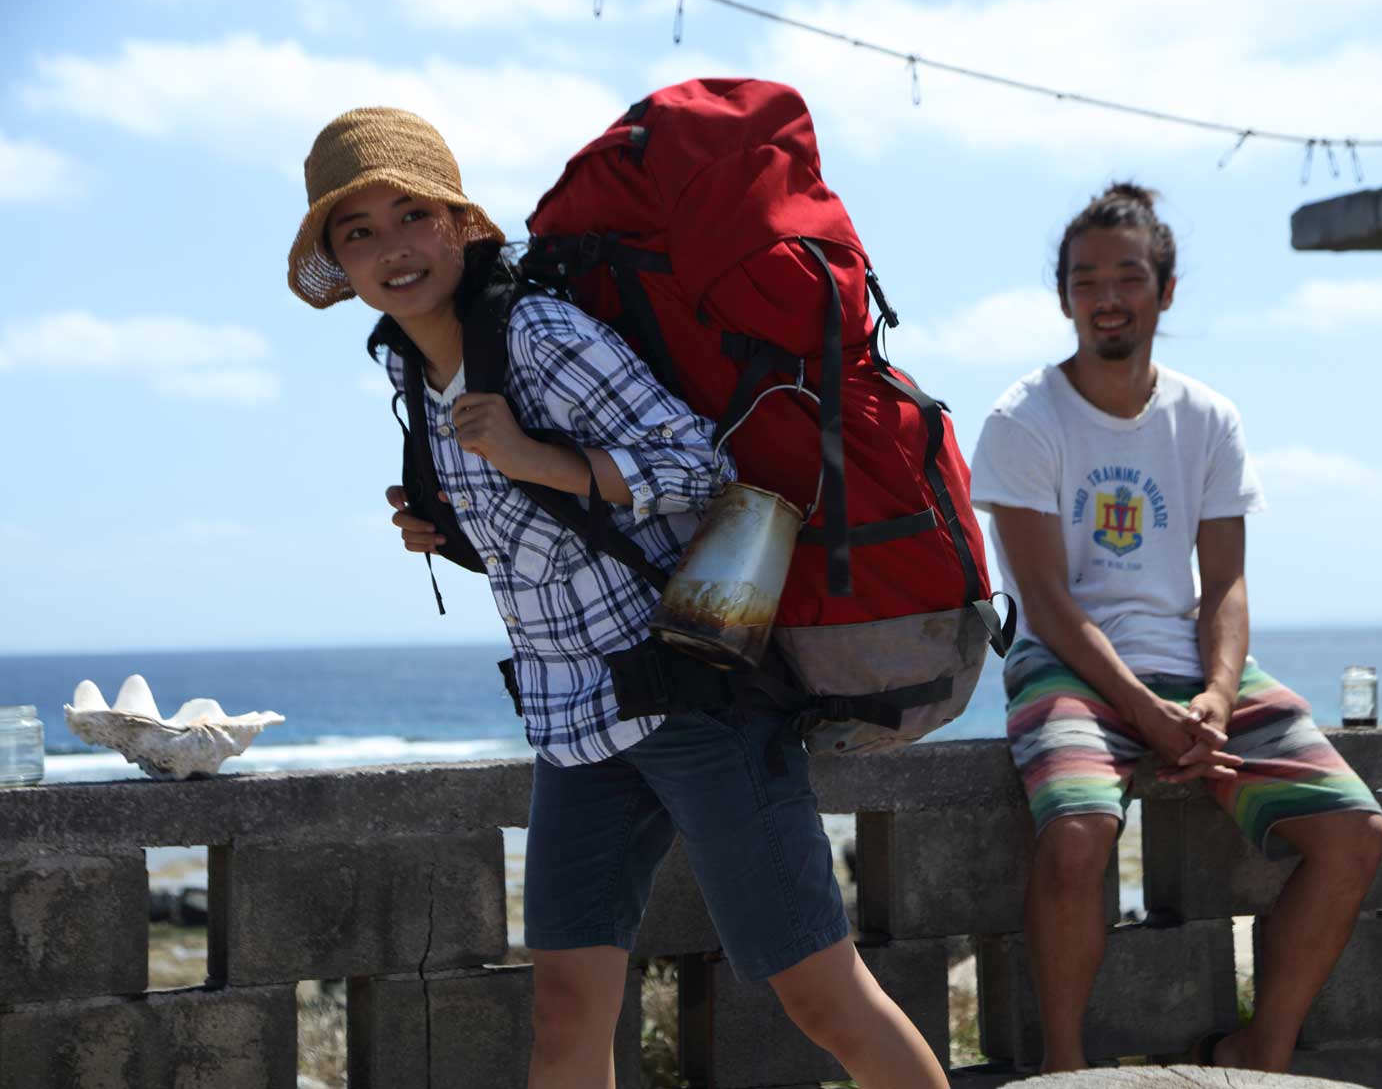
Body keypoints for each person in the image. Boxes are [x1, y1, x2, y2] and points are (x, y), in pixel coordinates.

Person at [287, 107, 948, 1089]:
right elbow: (552, 537)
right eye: (358, 230)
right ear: (341, 264)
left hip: (694, 698)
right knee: (564, 1013)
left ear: (459, 225)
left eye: (411, 214)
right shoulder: (413, 372)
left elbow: (696, 463)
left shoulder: (544, 336)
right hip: (573, 724)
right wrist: (449, 529)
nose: (392, 247)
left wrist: (534, 456)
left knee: (821, 992)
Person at [969, 183, 1382, 1074]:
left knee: (1357, 832)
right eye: (1086, 280)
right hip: (1068, 667)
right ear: (1063, 297)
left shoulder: (1207, 418)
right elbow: (1045, 603)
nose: (1107, 296)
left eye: (1128, 276)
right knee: (1080, 832)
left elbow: (1227, 582)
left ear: (1165, 290)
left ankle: (1260, 1051)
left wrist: (1214, 694)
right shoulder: (1023, 420)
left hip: (1188, 665)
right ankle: (1068, 1069)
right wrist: (1143, 711)